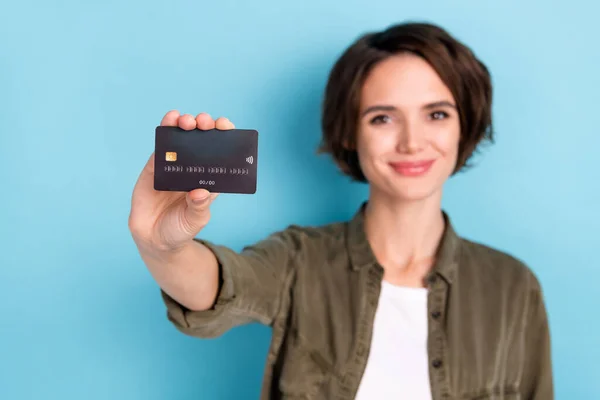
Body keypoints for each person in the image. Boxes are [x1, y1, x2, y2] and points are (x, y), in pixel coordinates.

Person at [128, 21, 553, 400]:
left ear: (465, 127)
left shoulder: (514, 288)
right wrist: (162, 247)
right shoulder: (298, 260)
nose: (411, 142)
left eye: (436, 114)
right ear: (350, 132)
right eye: (383, 119)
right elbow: (220, 286)